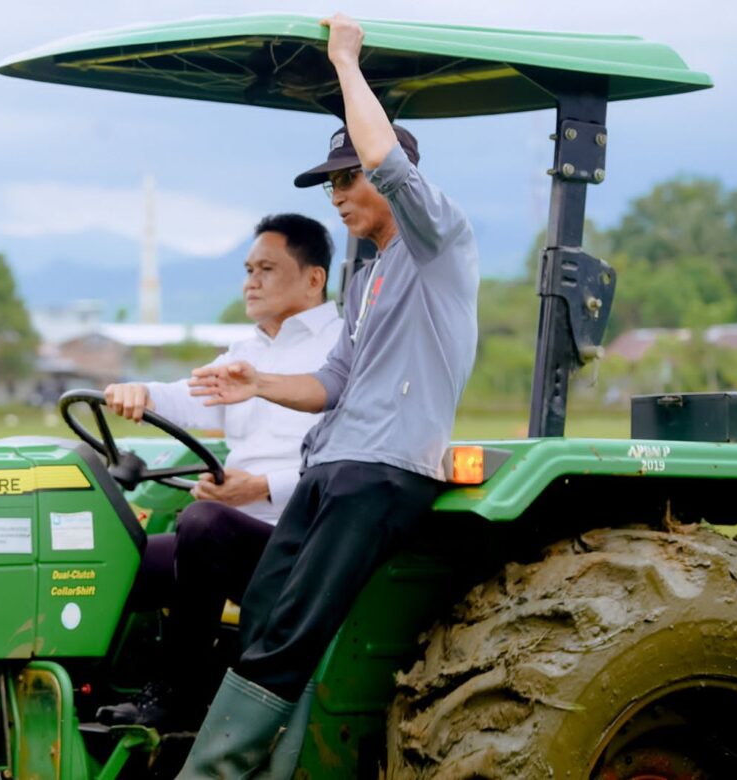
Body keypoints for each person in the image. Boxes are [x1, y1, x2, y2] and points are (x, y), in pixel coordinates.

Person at [176, 13, 480, 778]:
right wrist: (257, 382)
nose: (337, 196)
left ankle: (212, 772)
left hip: (382, 470)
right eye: (333, 182)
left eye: (346, 179)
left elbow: (386, 155)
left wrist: (346, 60)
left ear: (385, 177)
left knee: (288, 635)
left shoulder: (436, 239)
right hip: (332, 466)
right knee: (263, 624)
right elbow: (331, 383)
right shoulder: (371, 275)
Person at [97, 213, 343, 732]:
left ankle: (180, 695)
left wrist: (260, 487)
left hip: (297, 538)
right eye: (249, 269)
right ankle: (89, 685)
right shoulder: (247, 351)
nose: (251, 281)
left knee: (203, 522)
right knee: (114, 554)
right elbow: (188, 400)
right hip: (235, 526)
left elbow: (351, 461)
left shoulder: (342, 351)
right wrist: (140, 392)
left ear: (313, 278)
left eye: (267, 269)